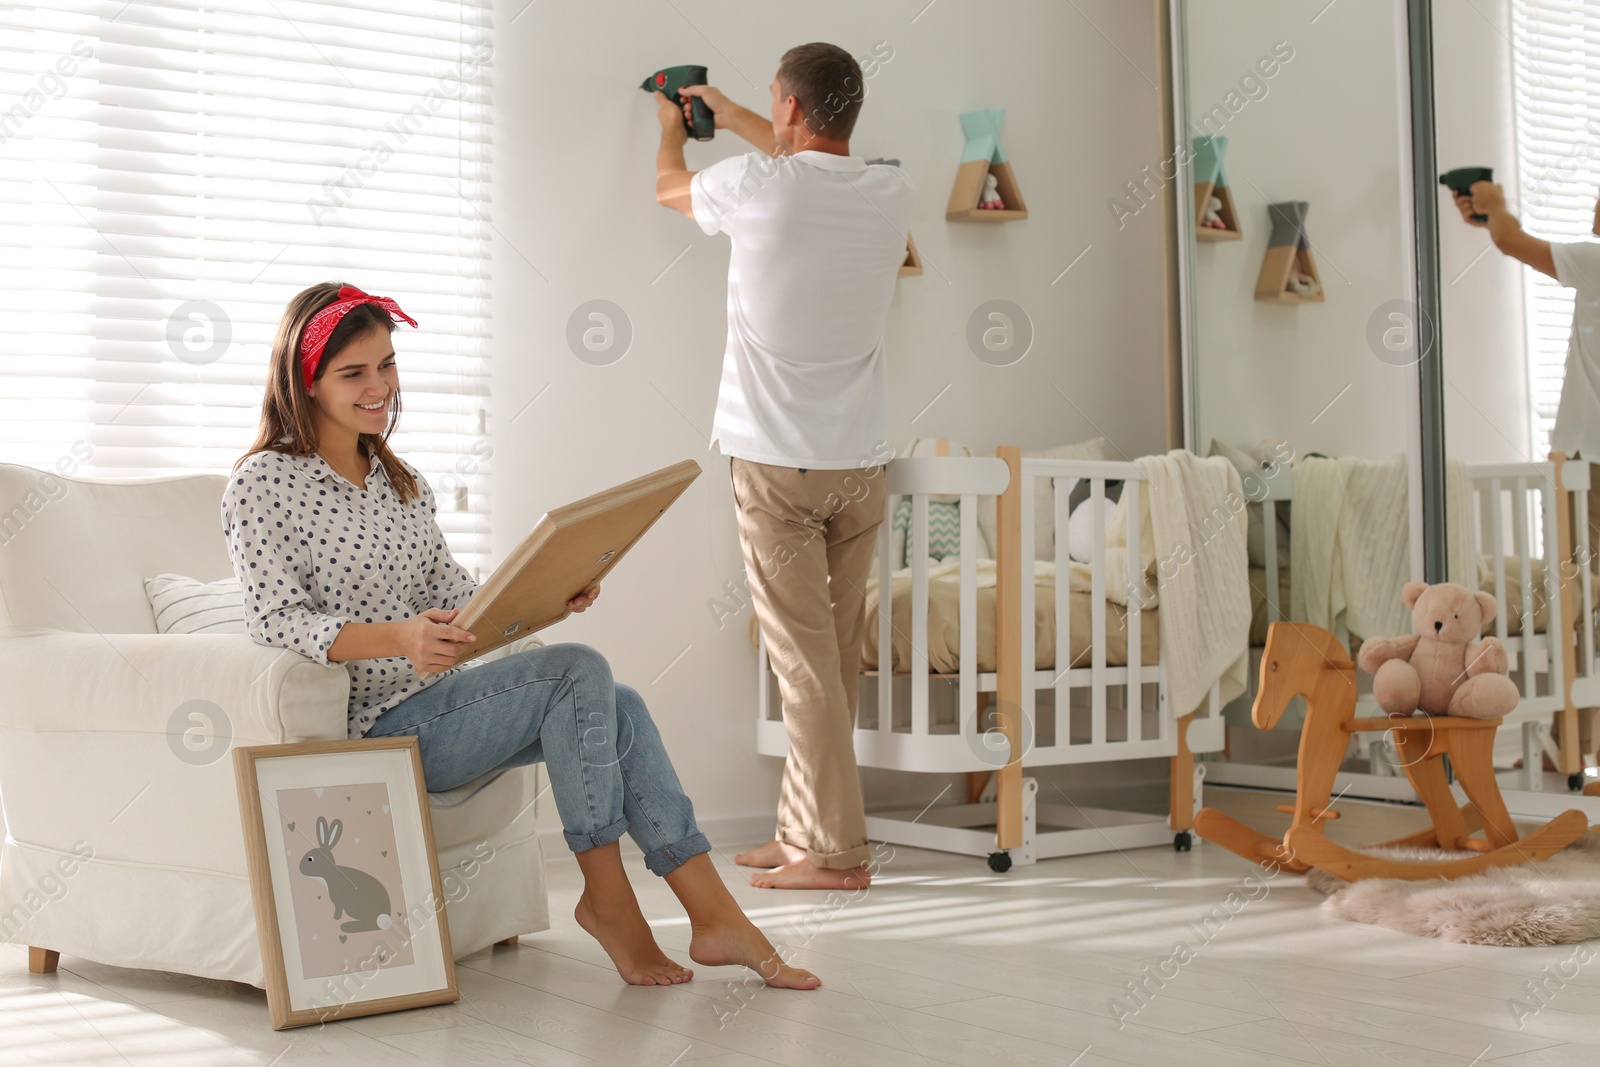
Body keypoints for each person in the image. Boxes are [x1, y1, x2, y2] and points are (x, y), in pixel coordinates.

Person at [222, 281, 819, 989]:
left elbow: (455, 597)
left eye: (387, 364)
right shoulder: (262, 484)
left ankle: (714, 913)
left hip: (442, 708)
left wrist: (546, 595)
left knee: (616, 703)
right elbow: (275, 619)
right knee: (579, 671)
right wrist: (399, 638)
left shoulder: (398, 480)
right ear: (304, 381)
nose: (380, 385)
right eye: (354, 372)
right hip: (374, 726)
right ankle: (610, 900)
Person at [649, 43, 914, 890]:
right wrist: (731, 112)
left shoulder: (750, 187)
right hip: (860, 467)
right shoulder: (888, 189)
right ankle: (803, 830)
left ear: (792, 110)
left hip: (775, 464)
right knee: (829, 660)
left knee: (803, 666)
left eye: (774, 105)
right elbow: (807, 161)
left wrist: (676, 130)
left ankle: (838, 854)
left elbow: (667, 190)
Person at [1456, 180, 1600, 765]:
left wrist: (1494, 206)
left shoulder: (1595, 260)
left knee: (1578, 607)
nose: (1593, 206)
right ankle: (1568, 746)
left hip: (1586, 462)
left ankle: (1566, 748)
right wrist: (1489, 219)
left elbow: (1513, 242)